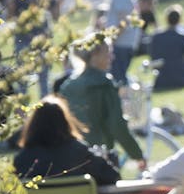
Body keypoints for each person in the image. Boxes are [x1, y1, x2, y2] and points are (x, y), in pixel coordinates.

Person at [13, 96, 121, 194]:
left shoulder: (22, 160)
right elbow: (112, 175)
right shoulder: (79, 152)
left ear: (33, 125)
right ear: (65, 121)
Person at [59, 38, 145, 169]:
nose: (112, 57)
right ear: (95, 55)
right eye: (108, 52)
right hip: (101, 157)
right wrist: (137, 155)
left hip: (71, 158)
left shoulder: (68, 86)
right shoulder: (103, 83)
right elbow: (117, 126)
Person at [3, 0, 61, 96]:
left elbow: (55, 17)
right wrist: (10, 8)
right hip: (23, 38)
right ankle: (22, 111)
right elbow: (9, 17)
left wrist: (58, 5)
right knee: (22, 77)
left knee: (44, 78)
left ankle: (45, 109)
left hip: (43, 39)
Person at [98, 0, 141, 83]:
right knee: (119, 77)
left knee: (118, 81)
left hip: (122, 44)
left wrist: (110, 42)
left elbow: (125, 22)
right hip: (124, 43)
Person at [148, 4, 184, 90]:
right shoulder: (183, 37)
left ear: (166, 19)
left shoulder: (156, 36)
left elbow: (153, 59)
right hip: (183, 77)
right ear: (180, 20)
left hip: (163, 78)